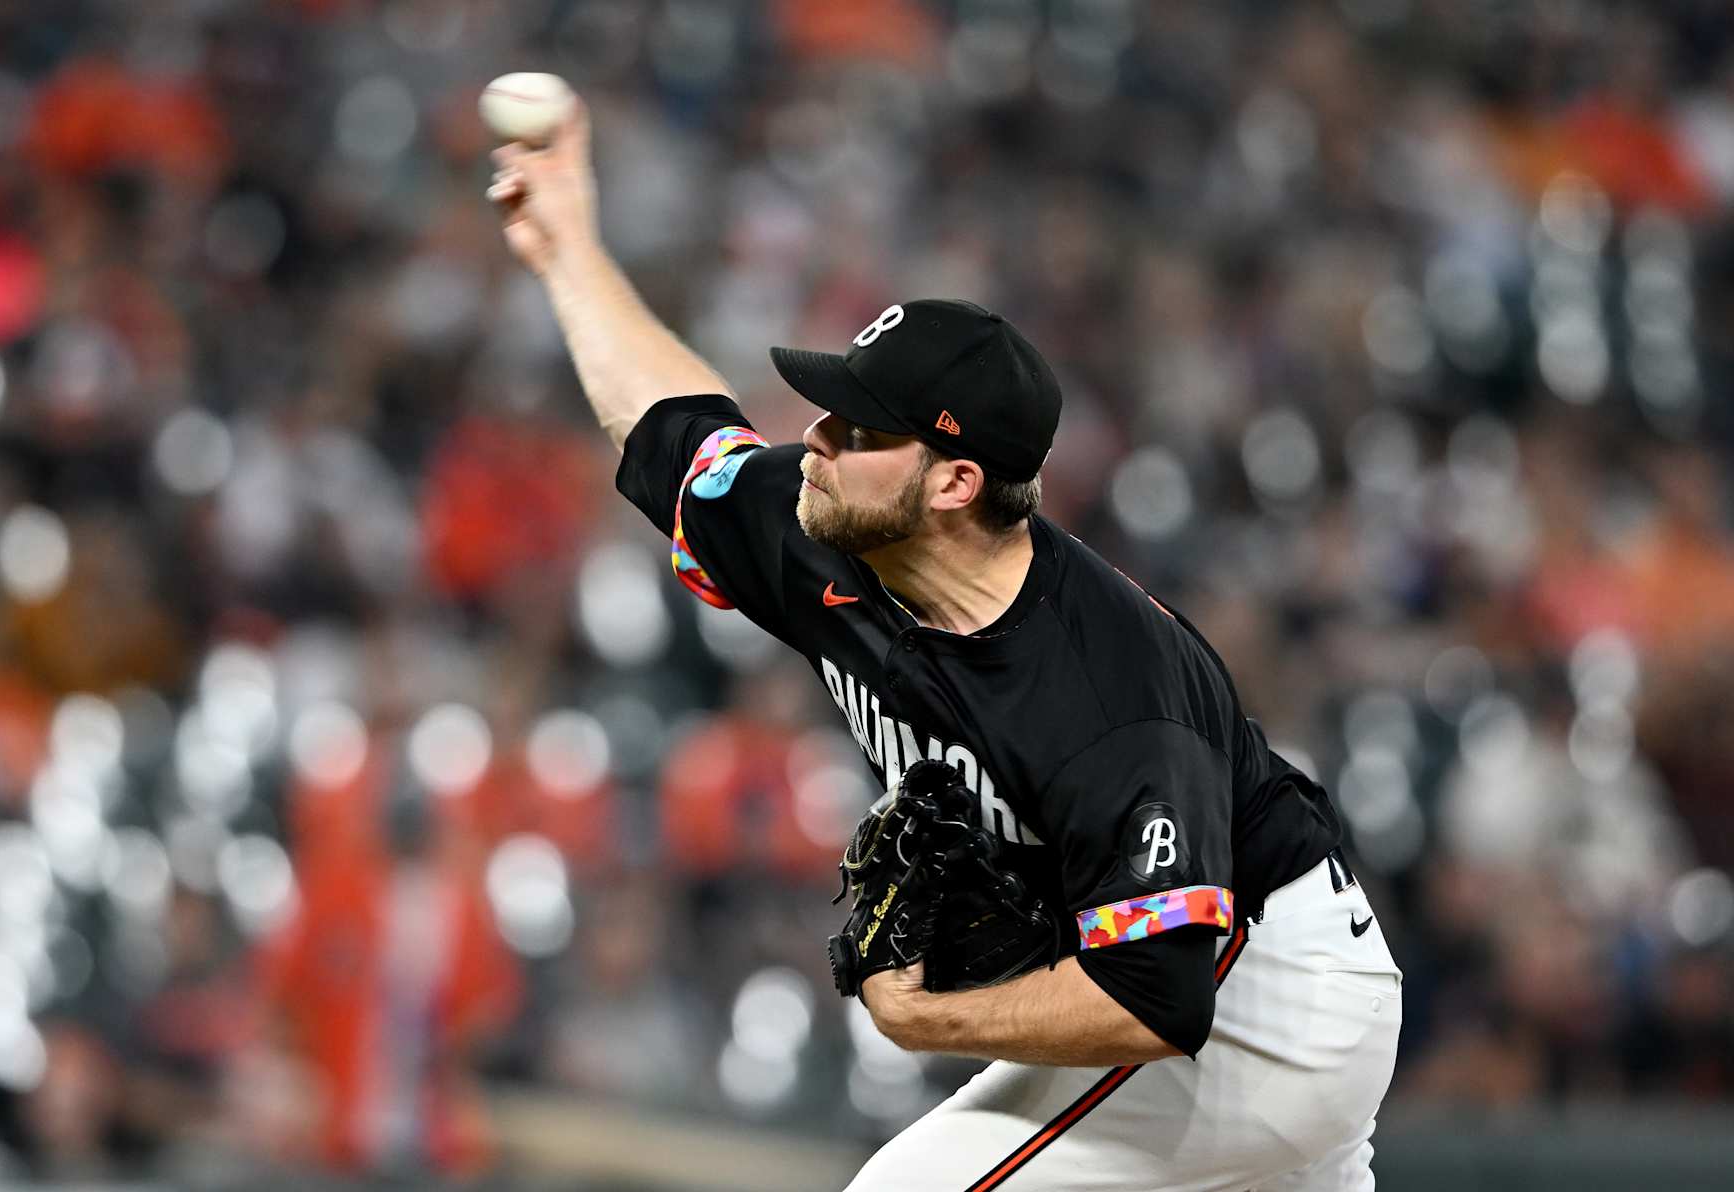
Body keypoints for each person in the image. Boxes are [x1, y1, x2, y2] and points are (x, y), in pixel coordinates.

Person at [487, 101, 1402, 1191]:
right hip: (1229, 991)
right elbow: (673, 427)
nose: (815, 439)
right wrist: (570, 247)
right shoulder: (832, 525)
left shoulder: (1105, 689)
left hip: (1266, 994)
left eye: (859, 430)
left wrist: (928, 1017)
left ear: (956, 482)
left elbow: (1160, 996)